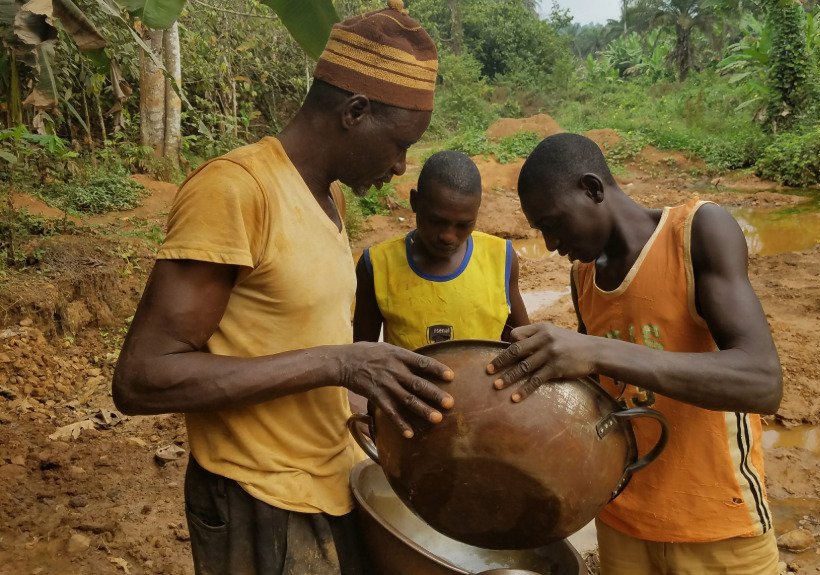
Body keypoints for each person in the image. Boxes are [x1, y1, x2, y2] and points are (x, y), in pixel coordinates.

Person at [112, 3, 455, 574]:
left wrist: (371, 398)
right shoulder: (236, 190)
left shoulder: (329, 197)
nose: (401, 166)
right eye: (399, 144)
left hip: (330, 482)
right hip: (260, 501)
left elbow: (289, 339)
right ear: (355, 111)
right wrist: (341, 364)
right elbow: (142, 379)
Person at [487, 133, 783, 574]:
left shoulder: (697, 232)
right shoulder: (583, 277)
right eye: (540, 231)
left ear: (592, 189)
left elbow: (762, 381)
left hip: (716, 526)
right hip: (621, 521)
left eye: (553, 223)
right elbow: (602, 393)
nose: (549, 243)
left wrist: (596, 349)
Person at [353, 150, 529, 350]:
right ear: (415, 202)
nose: (448, 236)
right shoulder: (377, 265)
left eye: (463, 225)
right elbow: (363, 358)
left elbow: (524, 343)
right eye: (436, 221)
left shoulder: (500, 258)